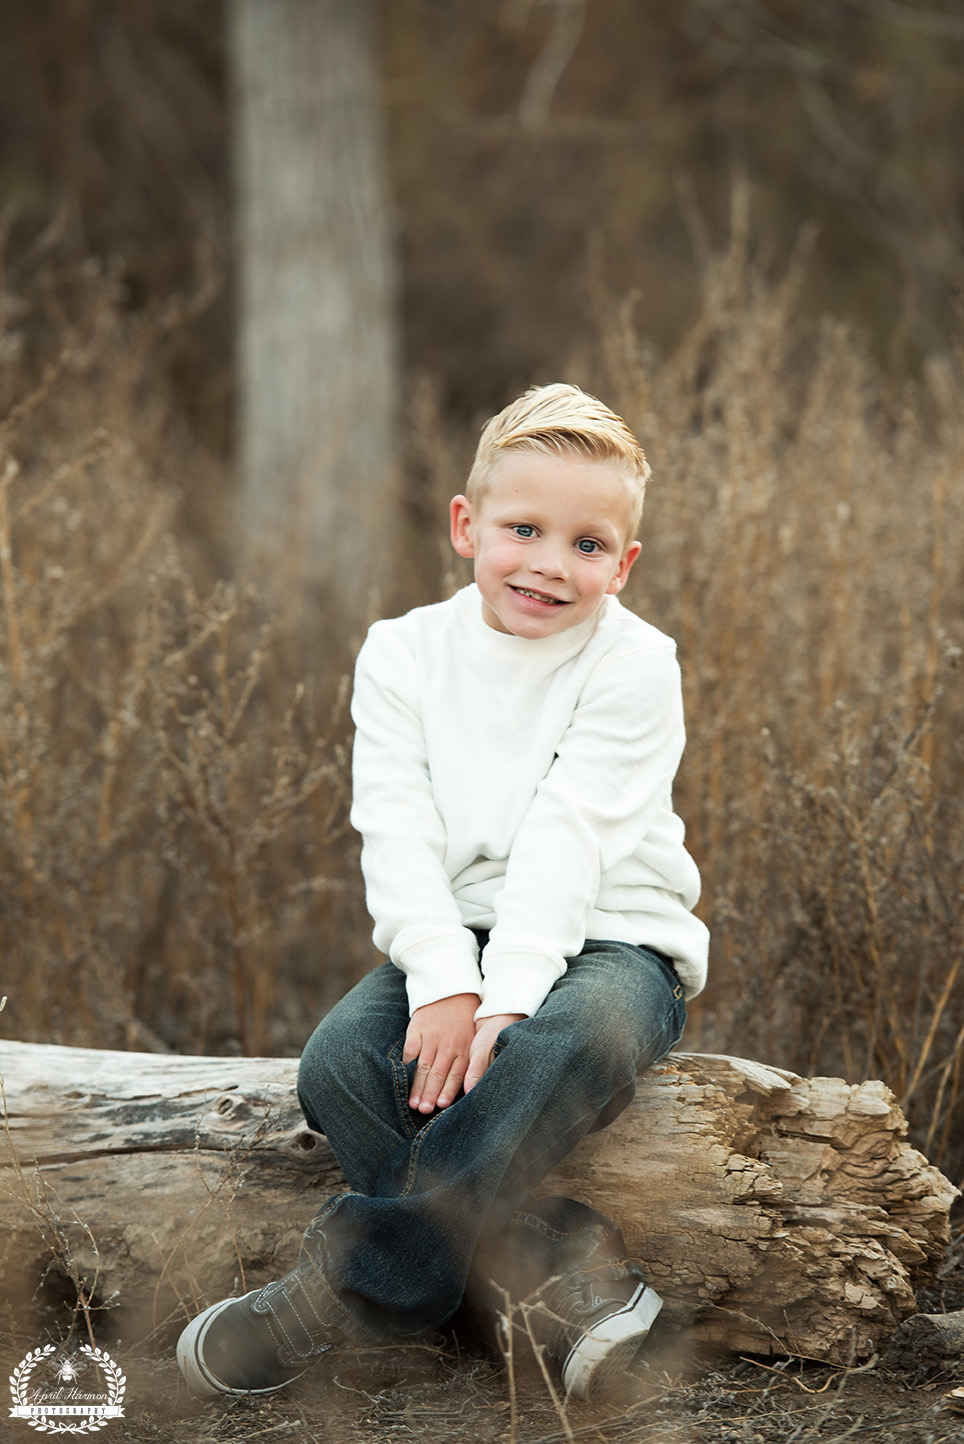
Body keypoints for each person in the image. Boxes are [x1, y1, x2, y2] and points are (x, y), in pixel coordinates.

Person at [177, 382, 709, 1403]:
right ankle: (566, 1279)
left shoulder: (636, 664)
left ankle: (339, 1287)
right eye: (524, 529)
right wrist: (441, 984)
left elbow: (567, 840)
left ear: (624, 563)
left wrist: (502, 1007)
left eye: (588, 544)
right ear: (467, 526)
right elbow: (397, 829)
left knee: (570, 1038)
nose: (552, 562)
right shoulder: (403, 654)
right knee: (340, 1061)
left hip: (608, 938)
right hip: (453, 936)